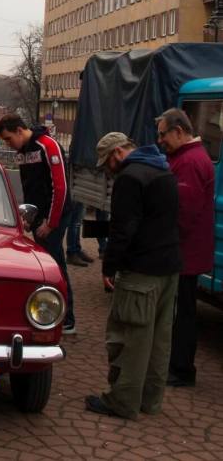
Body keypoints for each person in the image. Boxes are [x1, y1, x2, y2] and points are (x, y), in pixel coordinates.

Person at [85, 132, 180, 420]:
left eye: (106, 164)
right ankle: (150, 400)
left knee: (130, 337)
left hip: (141, 270)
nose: (108, 171)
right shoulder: (162, 169)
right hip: (169, 267)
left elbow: (123, 230)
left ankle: (123, 401)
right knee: (159, 340)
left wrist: (108, 267)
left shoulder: (130, 178)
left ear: (116, 154)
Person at [0, 114, 76, 334]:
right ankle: (49, 310)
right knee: (46, 262)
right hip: (40, 215)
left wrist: (51, 223)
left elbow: (60, 188)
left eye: (9, 139)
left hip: (55, 215)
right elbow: (27, 186)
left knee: (54, 263)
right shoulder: (23, 152)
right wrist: (30, 217)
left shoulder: (47, 145)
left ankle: (66, 317)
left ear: (20, 131)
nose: (8, 145)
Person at [155, 108, 215, 388]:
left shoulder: (190, 162)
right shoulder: (188, 157)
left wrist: (163, 244)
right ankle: (178, 365)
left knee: (182, 313)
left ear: (179, 131)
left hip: (184, 252)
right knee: (183, 310)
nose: (160, 141)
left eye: (163, 134)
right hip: (186, 251)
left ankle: (181, 368)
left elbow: (182, 212)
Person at [66, 200, 94, 266]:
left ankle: (77, 250)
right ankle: (71, 253)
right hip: (75, 193)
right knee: (74, 224)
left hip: (80, 196)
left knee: (77, 223)